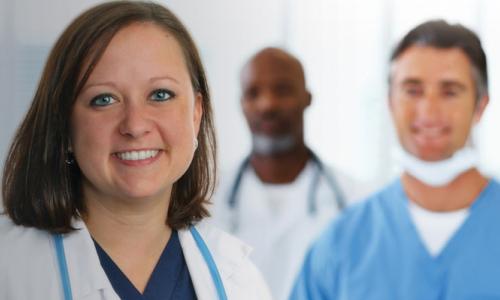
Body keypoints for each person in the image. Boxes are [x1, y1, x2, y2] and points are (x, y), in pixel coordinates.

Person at [0, 2, 271, 299]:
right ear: (63, 125)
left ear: (195, 114)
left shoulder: (240, 282)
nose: (135, 125)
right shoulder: (10, 269)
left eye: (160, 95)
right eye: (104, 99)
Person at [291, 20, 500, 299]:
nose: (428, 111)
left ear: (481, 104)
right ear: (390, 101)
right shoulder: (341, 246)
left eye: (450, 92)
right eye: (412, 90)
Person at [210, 47, 368, 300]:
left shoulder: (355, 202)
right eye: (254, 93)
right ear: (242, 104)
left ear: (307, 98)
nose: (267, 104)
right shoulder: (206, 201)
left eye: (282, 90)